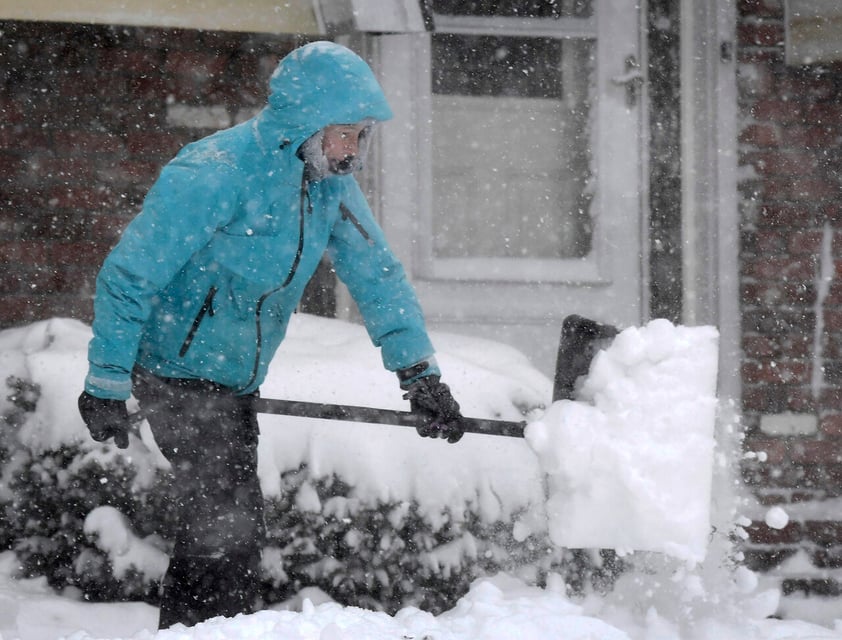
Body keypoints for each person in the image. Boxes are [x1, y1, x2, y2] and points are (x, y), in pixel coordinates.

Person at [77, 41, 464, 629]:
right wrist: (106, 381)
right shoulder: (213, 173)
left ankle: (200, 630)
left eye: (363, 136)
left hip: (232, 380)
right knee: (223, 525)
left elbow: (377, 276)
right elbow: (129, 275)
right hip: (171, 369)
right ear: (304, 125)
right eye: (345, 134)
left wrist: (421, 377)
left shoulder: (329, 185)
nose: (353, 152)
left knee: (228, 532)